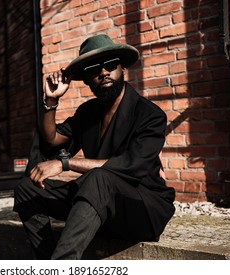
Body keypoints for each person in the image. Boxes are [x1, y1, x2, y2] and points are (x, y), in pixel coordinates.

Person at [13, 34, 175, 260]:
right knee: (26, 189)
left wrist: (65, 163)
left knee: (99, 178)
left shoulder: (150, 114)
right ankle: (47, 261)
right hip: (97, 202)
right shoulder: (88, 112)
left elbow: (133, 165)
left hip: (141, 208)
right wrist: (50, 102)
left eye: (110, 65)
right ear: (87, 79)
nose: (104, 72)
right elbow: (51, 140)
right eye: (94, 69)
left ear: (122, 68)